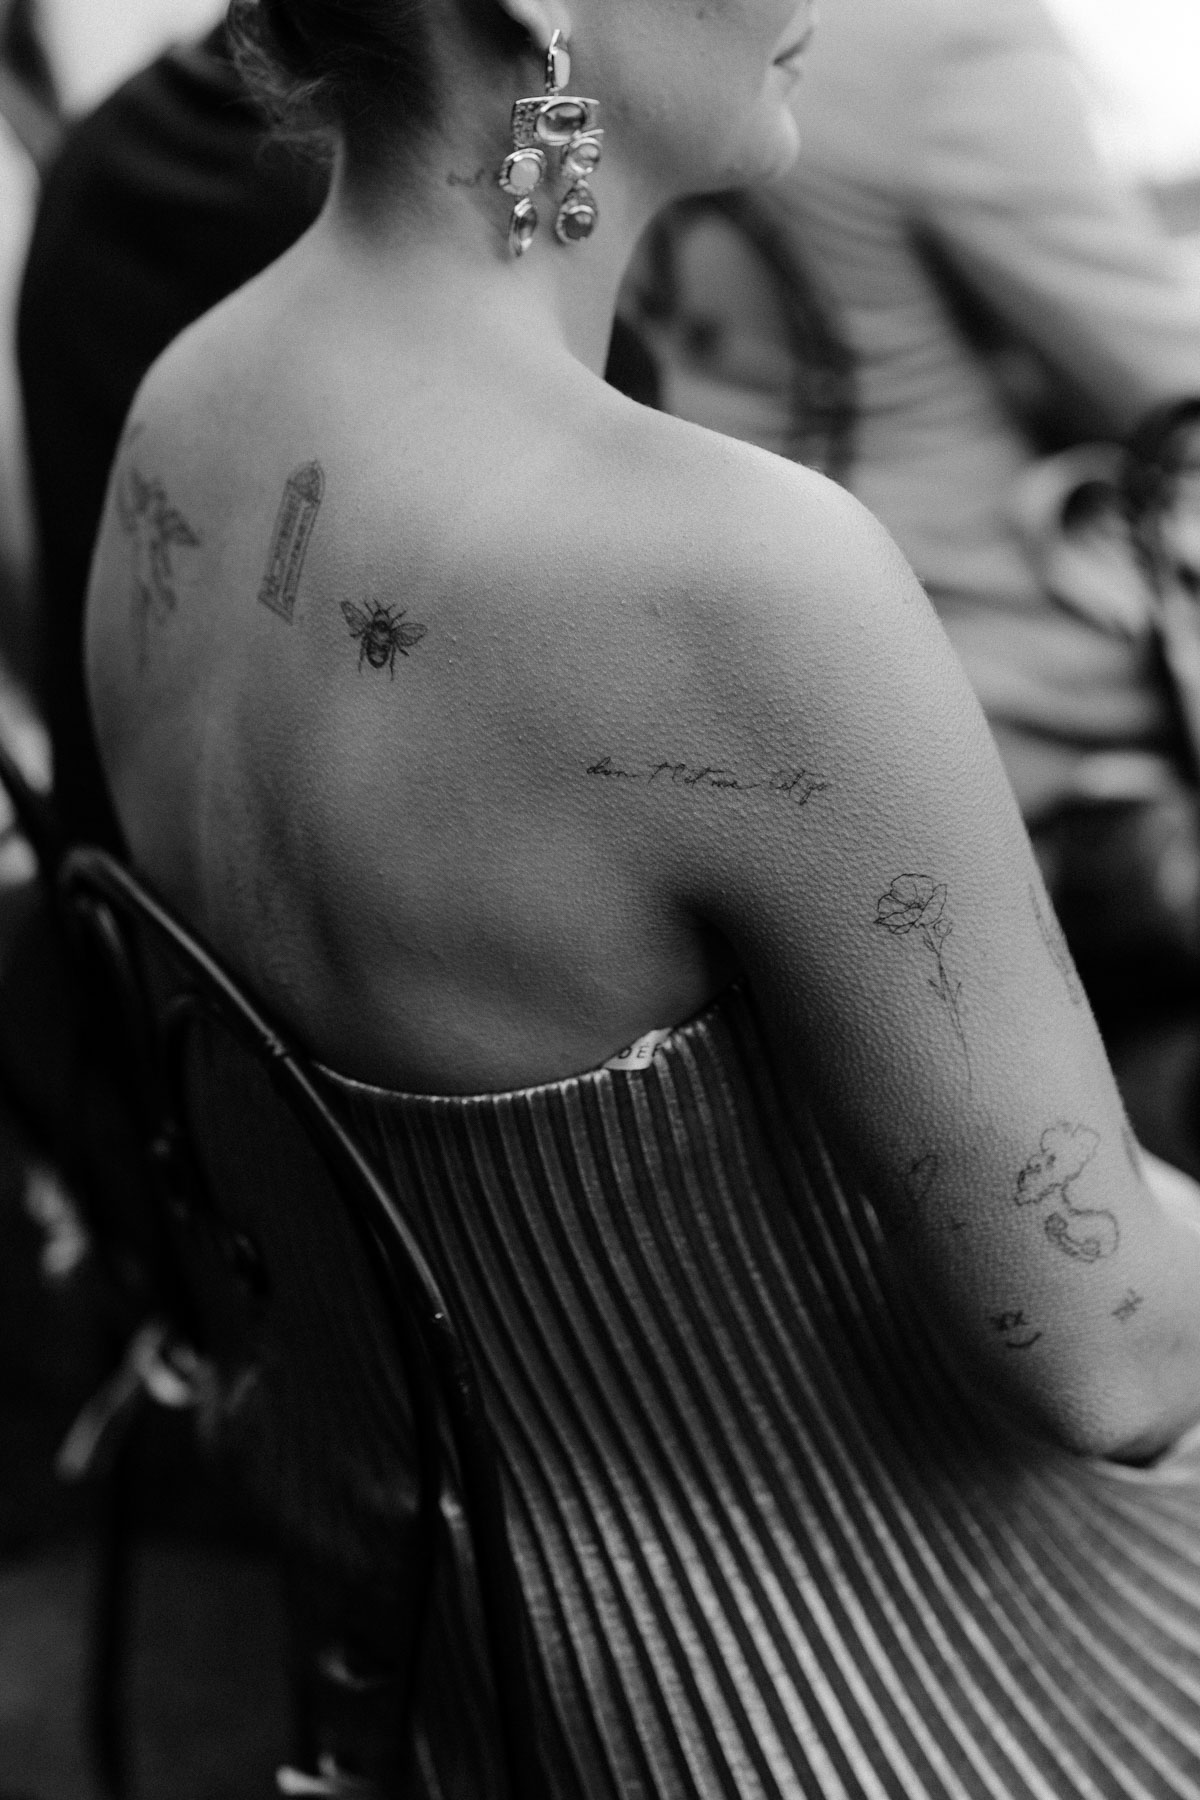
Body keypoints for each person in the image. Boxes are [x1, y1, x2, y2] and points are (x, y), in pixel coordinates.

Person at [83, 0, 1200, 1792]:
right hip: (883, 1693)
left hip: (458, 1668)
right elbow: (1114, 1369)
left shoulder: (184, 409)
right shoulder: (736, 576)